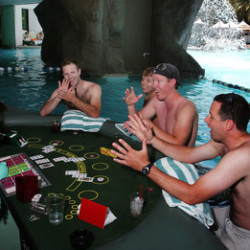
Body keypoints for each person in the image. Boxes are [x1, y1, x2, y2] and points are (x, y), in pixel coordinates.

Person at [111, 93, 250, 250]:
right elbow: (188, 155)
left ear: (228, 125)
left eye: (211, 117)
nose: (206, 120)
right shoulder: (223, 143)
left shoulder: (242, 155)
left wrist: (145, 167)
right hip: (228, 216)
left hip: (244, 235)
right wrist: (152, 140)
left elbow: (192, 195)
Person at [124, 63, 198, 147]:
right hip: (161, 152)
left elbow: (179, 144)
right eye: (154, 81)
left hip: (180, 159)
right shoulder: (157, 101)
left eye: (158, 81)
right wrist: (131, 105)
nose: (154, 86)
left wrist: (151, 126)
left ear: (172, 83)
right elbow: (134, 121)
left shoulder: (186, 107)